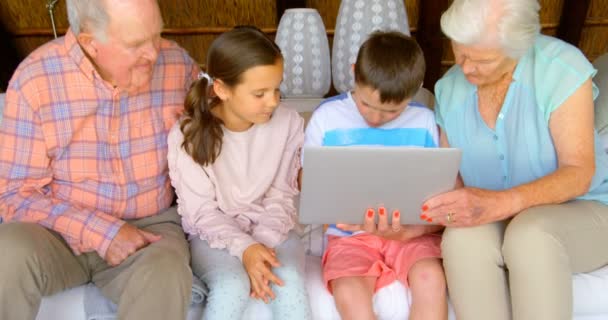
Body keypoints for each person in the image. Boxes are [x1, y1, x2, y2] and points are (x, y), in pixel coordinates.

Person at [0, 0, 199, 319]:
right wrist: (104, 232)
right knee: (6, 250)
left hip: (150, 229)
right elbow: (14, 194)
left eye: (156, 35)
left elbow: (218, 134)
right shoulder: (35, 80)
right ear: (90, 43)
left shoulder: (178, 64)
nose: (154, 53)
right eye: (136, 44)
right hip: (57, 233)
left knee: (166, 271)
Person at [421, 0, 608, 319]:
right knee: (461, 239)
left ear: (518, 48)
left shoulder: (560, 68)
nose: (466, 68)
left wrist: (501, 203)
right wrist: (409, 224)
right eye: (460, 53)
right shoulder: (448, 89)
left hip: (583, 210)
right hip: (497, 218)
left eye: (482, 60)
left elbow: (579, 172)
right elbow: (455, 189)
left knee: (530, 235)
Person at [167, 26, 312, 320]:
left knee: (289, 282)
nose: (272, 102)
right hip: (214, 235)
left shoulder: (288, 124)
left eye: (277, 89)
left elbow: (281, 196)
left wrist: (260, 246)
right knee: (231, 285)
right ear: (221, 89)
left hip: (275, 229)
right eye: (259, 93)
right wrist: (245, 249)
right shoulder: (187, 135)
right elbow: (202, 212)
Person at [304, 31, 447, 320]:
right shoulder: (326, 118)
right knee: (349, 292)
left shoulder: (425, 122)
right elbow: (308, 180)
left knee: (431, 278)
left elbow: (439, 188)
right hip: (349, 236)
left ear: (415, 90)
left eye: (391, 111)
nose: (375, 118)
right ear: (355, 74)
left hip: (410, 234)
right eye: (367, 105)